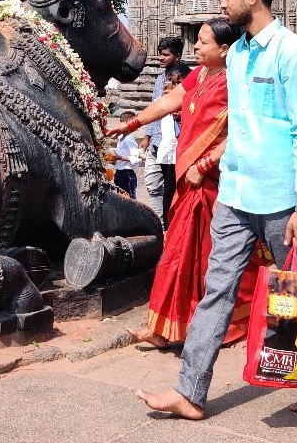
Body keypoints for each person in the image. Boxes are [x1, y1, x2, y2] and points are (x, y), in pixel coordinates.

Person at [136, 0, 297, 419]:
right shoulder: (240, 55)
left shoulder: (293, 53)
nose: (222, 2)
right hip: (234, 196)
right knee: (216, 291)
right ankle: (190, 392)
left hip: (280, 201)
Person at [107, 18, 266, 349]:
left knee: (214, 258)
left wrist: (206, 163)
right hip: (190, 181)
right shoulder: (200, 74)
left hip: (215, 183)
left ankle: (237, 320)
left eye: (204, 42)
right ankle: (164, 326)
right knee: (178, 255)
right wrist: (131, 124)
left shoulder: (237, 82)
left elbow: (242, 133)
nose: (195, 46)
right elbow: (168, 103)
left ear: (225, 50)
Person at [139, 36, 183, 223]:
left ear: (178, 56)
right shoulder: (159, 79)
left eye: (165, 55)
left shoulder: (186, 77)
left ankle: (167, 224)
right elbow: (155, 107)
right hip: (157, 139)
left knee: (170, 187)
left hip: (174, 139)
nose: (161, 58)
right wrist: (147, 135)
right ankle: (158, 220)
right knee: (151, 183)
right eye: (160, 54)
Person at [157, 64, 191, 227]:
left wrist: (184, 114)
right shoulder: (164, 100)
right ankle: (167, 224)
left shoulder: (193, 98)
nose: (177, 87)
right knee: (169, 187)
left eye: (180, 83)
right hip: (170, 149)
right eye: (174, 82)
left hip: (187, 149)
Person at [111, 110, 142, 198]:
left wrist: (119, 157)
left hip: (127, 174)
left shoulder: (129, 138)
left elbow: (137, 158)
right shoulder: (121, 137)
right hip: (119, 173)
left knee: (129, 199)